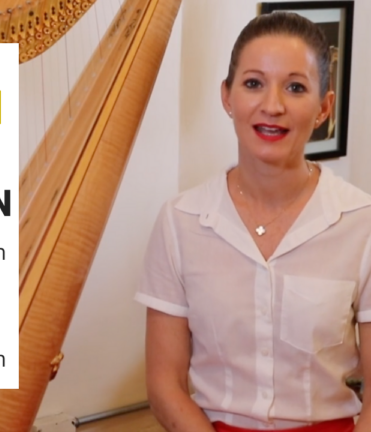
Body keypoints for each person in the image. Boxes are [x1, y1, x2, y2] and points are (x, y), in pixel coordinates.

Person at [134, 11, 371, 432]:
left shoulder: (362, 223)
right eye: (253, 83)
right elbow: (164, 384)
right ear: (227, 97)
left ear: (324, 107)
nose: (272, 106)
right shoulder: (180, 222)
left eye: (295, 87)